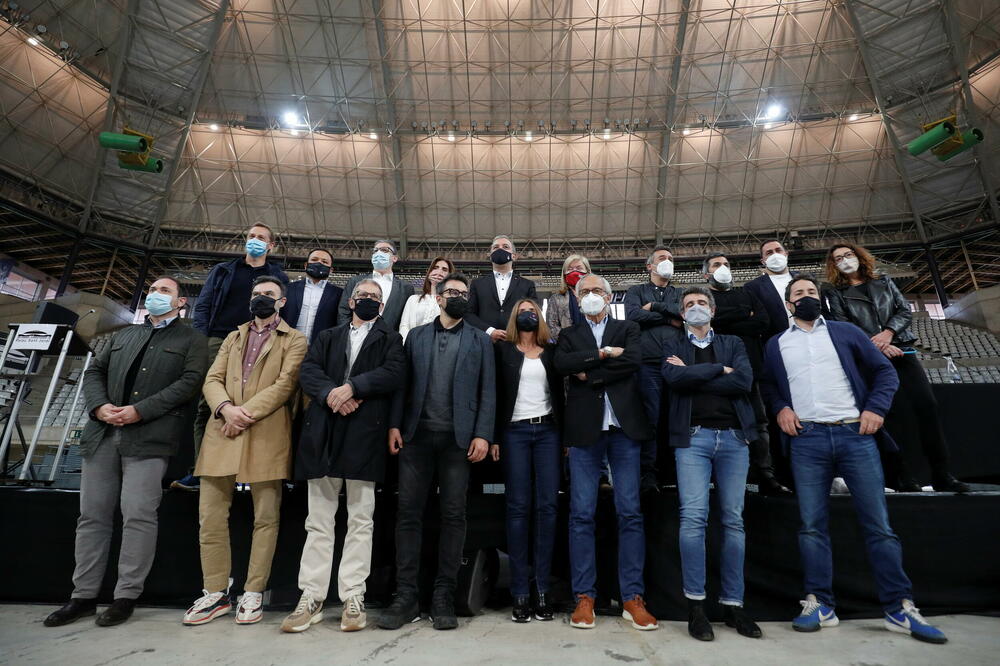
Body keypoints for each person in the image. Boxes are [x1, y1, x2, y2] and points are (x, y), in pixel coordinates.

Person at [759, 274, 947, 644]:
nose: (807, 296)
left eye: (812, 291)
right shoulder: (776, 343)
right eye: (799, 293)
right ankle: (820, 603)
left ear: (821, 298)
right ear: (788, 304)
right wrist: (780, 407)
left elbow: (883, 373)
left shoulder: (846, 332)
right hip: (807, 439)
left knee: (878, 525)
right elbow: (768, 385)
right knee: (812, 526)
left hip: (854, 436)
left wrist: (875, 409)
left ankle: (899, 607)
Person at [43, 277, 209, 628]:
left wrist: (140, 410)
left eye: (164, 291)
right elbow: (94, 372)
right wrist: (100, 407)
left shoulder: (192, 340)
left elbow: (188, 384)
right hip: (102, 433)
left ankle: (125, 596)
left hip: (149, 437)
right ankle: (83, 596)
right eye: (152, 289)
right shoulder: (122, 335)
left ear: (181, 303)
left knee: (138, 516)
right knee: (92, 517)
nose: (155, 295)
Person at [281, 279, 405, 633]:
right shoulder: (327, 336)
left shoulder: (391, 339)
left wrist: (353, 387)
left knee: (361, 519)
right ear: (352, 302)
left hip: (365, 432)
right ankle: (312, 596)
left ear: (381, 307)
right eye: (363, 295)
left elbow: (394, 373)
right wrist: (332, 394)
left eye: (375, 297)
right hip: (324, 430)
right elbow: (308, 371)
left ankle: (353, 594)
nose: (368, 300)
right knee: (318, 520)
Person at [183, 276, 308, 627]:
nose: (260, 299)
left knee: (266, 518)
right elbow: (212, 379)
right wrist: (225, 409)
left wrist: (245, 413)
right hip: (222, 429)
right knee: (210, 516)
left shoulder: (295, 339)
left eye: (268, 294)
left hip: (266, 431)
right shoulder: (233, 337)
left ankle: (253, 592)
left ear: (282, 302)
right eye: (256, 294)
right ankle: (215, 592)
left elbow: (286, 384)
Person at [378, 273, 496, 631]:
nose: (457, 297)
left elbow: (488, 390)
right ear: (439, 297)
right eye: (451, 292)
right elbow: (402, 384)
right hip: (416, 437)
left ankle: (444, 593)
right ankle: (407, 595)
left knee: (454, 515)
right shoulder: (415, 336)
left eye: (463, 293)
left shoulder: (480, 340)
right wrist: (395, 425)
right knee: (408, 514)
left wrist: (483, 434)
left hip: (458, 442)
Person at [555, 274, 658, 632]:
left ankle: (632, 596)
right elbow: (564, 365)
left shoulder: (627, 328)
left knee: (629, 512)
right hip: (585, 432)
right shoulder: (568, 334)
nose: (591, 296)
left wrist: (592, 373)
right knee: (581, 514)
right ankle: (585, 596)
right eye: (584, 292)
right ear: (576, 298)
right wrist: (600, 355)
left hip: (624, 430)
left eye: (597, 290)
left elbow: (632, 362)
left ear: (610, 295)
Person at [823, 243, 968, 493]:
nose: (845, 260)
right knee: (891, 416)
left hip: (902, 351)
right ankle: (901, 476)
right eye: (838, 258)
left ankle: (942, 474)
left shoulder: (885, 281)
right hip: (870, 358)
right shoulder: (835, 292)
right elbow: (842, 323)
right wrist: (877, 345)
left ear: (858, 256)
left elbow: (903, 310)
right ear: (833, 265)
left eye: (848, 255)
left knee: (927, 407)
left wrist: (888, 334)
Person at [661, 286, 762, 642]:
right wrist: (720, 369)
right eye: (689, 304)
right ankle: (696, 606)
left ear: (713, 310)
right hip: (693, 439)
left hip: (735, 439)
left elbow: (744, 381)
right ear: (681, 313)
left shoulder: (734, 342)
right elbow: (674, 380)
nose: (696, 307)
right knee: (693, 519)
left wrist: (696, 374)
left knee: (733, 521)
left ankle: (734, 605)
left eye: (701, 303)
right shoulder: (674, 345)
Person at [180, 222, 289, 491]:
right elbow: (203, 306)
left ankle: (248, 472)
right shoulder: (223, 270)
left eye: (261, 237)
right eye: (251, 236)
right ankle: (199, 470)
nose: (255, 240)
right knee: (210, 406)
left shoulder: (278, 275)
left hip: (259, 339)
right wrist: (202, 339)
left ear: (270, 245)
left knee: (252, 405)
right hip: (218, 339)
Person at [493, 299, 565, 623]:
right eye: (523, 312)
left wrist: (565, 437)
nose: (528, 315)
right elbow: (494, 394)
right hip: (514, 433)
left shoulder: (551, 350)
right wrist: (493, 436)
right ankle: (520, 590)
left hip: (548, 432)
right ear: (514, 317)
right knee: (518, 508)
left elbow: (561, 395)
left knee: (547, 508)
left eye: (533, 312)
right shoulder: (503, 350)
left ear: (540, 317)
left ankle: (542, 589)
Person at [703, 253, 790, 495]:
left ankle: (765, 474)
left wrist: (725, 320)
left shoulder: (746, 293)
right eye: (717, 265)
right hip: (717, 368)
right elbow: (709, 323)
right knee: (721, 421)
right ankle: (718, 479)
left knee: (759, 422)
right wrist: (742, 314)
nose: (723, 268)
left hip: (751, 367)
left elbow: (762, 322)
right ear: (706, 273)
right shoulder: (704, 297)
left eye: (727, 264)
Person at [624, 245, 683, 493]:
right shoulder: (636, 290)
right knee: (651, 417)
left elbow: (684, 315)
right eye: (662, 258)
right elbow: (633, 316)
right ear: (650, 266)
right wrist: (669, 318)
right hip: (647, 364)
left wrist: (655, 308)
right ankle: (648, 473)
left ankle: (675, 471)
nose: (667, 261)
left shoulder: (680, 292)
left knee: (677, 417)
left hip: (677, 362)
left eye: (670, 258)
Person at [465, 235, 539, 342]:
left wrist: (515, 331)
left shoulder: (527, 284)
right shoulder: (477, 284)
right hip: (485, 342)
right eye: (496, 247)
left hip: (517, 342)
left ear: (514, 256)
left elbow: (533, 314)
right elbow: (469, 314)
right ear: (490, 256)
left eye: (505, 247)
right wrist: (490, 331)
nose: (500, 249)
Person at [338, 240, 414, 331]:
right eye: (375, 250)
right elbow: (343, 311)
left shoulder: (406, 288)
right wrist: (348, 332)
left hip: (389, 340)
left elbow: (406, 318)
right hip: (355, 336)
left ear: (394, 258)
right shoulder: (355, 281)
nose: (379, 253)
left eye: (384, 250)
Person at [281, 248, 343, 344]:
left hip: (320, 349)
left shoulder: (339, 294)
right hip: (288, 345)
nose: (319, 263)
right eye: (314, 260)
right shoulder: (288, 289)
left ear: (331, 270)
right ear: (306, 265)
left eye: (324, 262)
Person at [743, 239, 794, 341]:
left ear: (786, 254)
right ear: (763, 261)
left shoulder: (807, 278)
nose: (775, 255)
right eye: (769, 253)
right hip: (777, 342)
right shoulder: (752, 287)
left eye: (778, 250)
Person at [399, 256, 454, 341]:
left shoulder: (451, 302)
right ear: (429, 272)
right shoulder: (413, 299)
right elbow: (404, 326)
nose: (439, 271)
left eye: (444, 269)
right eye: (435, 268)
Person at [545, 254, 590, 341]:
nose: (574, 271)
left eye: (579, 268)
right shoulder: (556, 299)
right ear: (564, 274)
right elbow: (551, 326)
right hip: (567, 347)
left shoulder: (598, 296)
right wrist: (569, 341)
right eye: (569, 269)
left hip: (594, 346)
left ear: (587, 272)